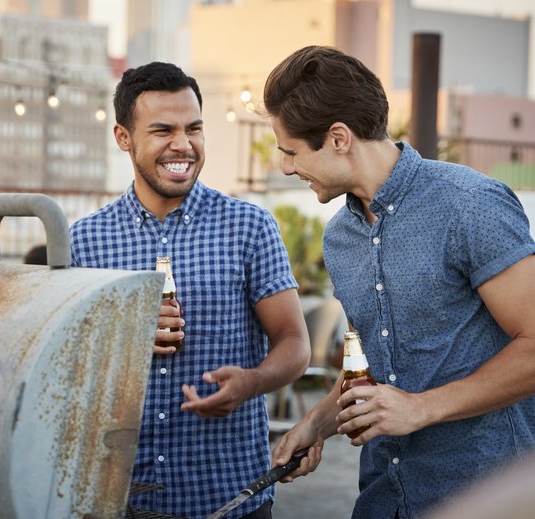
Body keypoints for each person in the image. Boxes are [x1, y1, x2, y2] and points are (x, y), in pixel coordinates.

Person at [263, 45, 535, 519]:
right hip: (383, 498)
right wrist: (317, 423)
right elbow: (372, 369)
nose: (286, 167)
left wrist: (421, 408)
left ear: (339, 138)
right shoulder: (339, 236)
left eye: (291, 151)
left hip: (484, 497)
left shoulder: (470, 205)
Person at [69, 62, 310, 519]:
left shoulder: (249, 226)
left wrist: (251, 382)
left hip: (230, 498)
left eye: (194, 128)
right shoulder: (82, 240)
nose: (183, 145)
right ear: (124, 138)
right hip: (117, 500)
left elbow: (294, 344)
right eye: (162, 130)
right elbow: (63, 364)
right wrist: (123, 335)